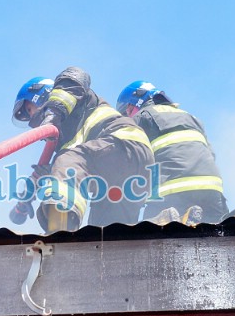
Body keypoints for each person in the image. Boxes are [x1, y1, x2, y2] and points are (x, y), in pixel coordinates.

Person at [11, 67, 155, 233]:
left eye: (30, 109)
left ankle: (60, 229)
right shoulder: (67, 139)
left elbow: (76, 74)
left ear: (41, 95)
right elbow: (82, 165)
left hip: (125, 145)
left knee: (67, 162)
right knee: (104, 236)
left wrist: (54, 110)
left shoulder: (75, 98)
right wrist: (49, 173)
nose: (31, 117)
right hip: (128, 175)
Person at [116, 81, 229, 224]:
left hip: (172, 192)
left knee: (147, 230)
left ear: (133, 104)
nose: (127, 116)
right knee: (218, 228)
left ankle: (171, 219)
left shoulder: (142, 117)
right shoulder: (191, 117)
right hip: (212, 189)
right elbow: (211, 154)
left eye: (126, 111)